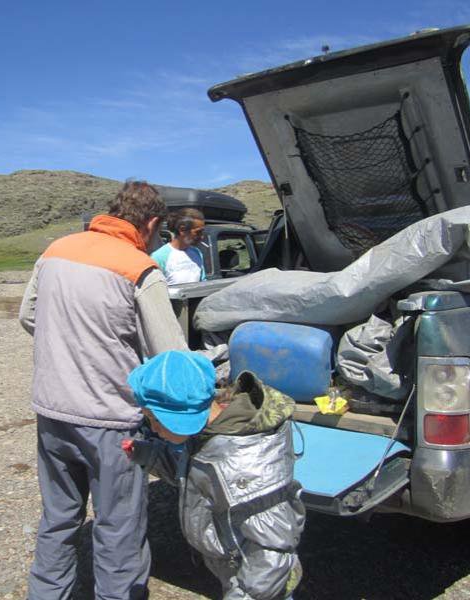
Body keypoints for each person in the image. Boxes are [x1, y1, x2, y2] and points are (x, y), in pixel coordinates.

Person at [18, 181, 190, 599]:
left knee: (58, 518)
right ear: (151, 223)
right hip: (111, 421)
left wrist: (71, 343)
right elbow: (170, 355)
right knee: (119, 527)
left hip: (52, 411)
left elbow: (28, 316)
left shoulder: (56, 250)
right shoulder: (139, 268)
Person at [126, 350, 305, 600]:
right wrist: (150, 454)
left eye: (156, 419)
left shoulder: (244, 465)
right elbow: (195, 475)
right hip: (237, 568)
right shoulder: (210, 433)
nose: (153, 429)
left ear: (182, 414)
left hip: (260, 584)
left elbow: (272, 553)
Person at [151, 207, 207, 284]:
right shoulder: (159, 257)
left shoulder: (197, 253)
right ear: (182, 230)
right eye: (198, 232)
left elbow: (203, 283)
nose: (202, 236)